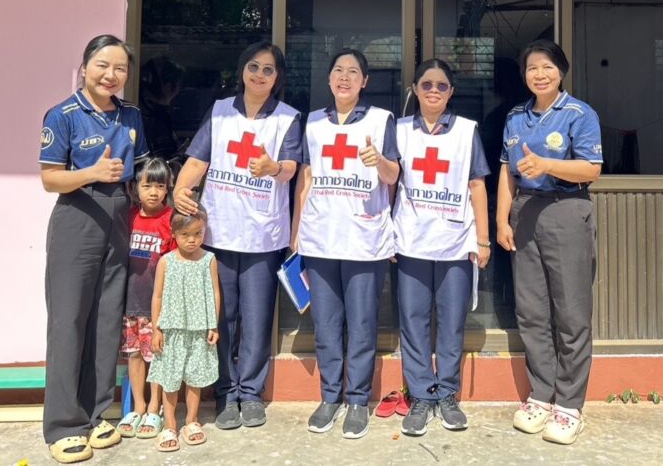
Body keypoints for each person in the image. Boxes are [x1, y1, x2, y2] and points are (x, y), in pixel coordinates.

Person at [173, 42, 302, 430]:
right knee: (223, 317)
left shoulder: (287, 118)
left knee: (258, 317)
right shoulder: (220, 112)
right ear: (242, 71)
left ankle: (251, 392)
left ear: (277, 78)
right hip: (221, 231)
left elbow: (293, 168)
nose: (259, 75)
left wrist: (273, 166)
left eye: (268, 70)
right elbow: (198, 160)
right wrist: (180, 190)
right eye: (253, 67)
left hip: (263, 235)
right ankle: (226, 393)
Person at [39, 34, 149, 464]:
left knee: (106, 320)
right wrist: (91, 172)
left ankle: (98, 413)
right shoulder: (63, 114)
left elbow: (139, 169)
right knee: (69, 320)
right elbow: (49, 179)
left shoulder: (131, 115)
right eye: (103, 65)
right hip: (77, 216)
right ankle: (64, 425)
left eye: (120, 68)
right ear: (85, 66)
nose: (111, 75)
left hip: (119, 216)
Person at [495, 40, 603, 446]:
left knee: (571, 312)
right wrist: (503, 219)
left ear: (561, 70)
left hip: (566, 210)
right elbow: (506, 171)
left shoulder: (578, 113)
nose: (539, 74)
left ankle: (570, 405)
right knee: (532, 310)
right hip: (525, 212)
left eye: (547, 67)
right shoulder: (515, 117)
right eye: (531, 68)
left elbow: (592, 169)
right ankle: (541, 395)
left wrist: (547, 165)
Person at [290, 48, 400, 440]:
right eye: (338, 70)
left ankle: (357, 400)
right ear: (329, 78)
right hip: (320, 238)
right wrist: (295, 234)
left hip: (363, 240)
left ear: (365, 82)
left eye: (353, 72)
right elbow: (305, 178)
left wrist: (378, 161)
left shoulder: (381, 120)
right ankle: (330, 397)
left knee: (362, 324)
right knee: (326, 324)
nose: (345, 77)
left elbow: (393, 175)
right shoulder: (314, 122)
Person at [392, 59, 491, 436]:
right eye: (427, 84)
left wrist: (482, 239)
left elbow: (477, 186)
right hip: (412, 241)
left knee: (451, 322)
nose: (434, 91)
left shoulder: (466, 132)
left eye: (442, 86)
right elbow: (389, 184)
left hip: (455, 242)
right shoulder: (399, 130)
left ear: (451, 92)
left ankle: (446, 393)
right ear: (415, 89)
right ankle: (421, 394)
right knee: (414, 321)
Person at [147, 208, 221, 452]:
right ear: (174, 233)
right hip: (171, 330)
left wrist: (213, 324)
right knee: (170, 380)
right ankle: (169, 425)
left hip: (199, 330)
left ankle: (191, 421)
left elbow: (215, 292)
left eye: (198, 233)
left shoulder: (208, 259)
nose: (192, 239)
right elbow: (157, 296)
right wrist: (156, 329)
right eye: (186, 234)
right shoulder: (166, 262)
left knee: (195, 378)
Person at [116, 158, 176, 440]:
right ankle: (138, 406)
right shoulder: (129, 217)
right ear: (135, 188)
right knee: (135, 355)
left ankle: (155, 407)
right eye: (147, 185)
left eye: (160, 186)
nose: (153, 191)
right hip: (131, 303)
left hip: (158, 307)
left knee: (158, 357)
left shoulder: (171, 220)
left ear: (168, 189)